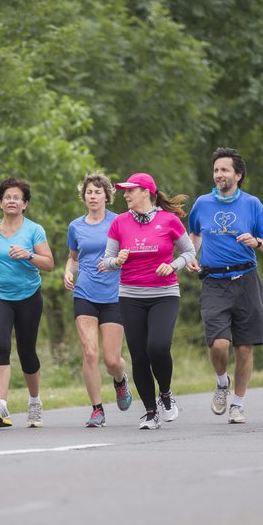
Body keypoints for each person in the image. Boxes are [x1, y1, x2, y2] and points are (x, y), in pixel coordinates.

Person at [186, 147, 263, 425]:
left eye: (224, 170)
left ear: (238, 175)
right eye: (216, 170)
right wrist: (191, 255)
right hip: (214, 282)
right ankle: (221, 382)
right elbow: (195, 233)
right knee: (218, 344)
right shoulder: (202, 203)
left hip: (247, 280)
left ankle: (237, 405)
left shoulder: (252, 204)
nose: (219, 175)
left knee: (245, 348)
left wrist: (257, 242)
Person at [101, 173, 195, 430]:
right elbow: (105, 262)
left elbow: (189, 251)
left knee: (158, 347)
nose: (125, 195)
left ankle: (165, 393)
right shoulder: (119, 223)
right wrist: (116, 261)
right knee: (139, 356)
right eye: (125, 191)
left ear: (146, 192)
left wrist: (173, 265)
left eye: (130, 190)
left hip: (164, 294)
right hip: (130, 296)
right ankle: (150, 413)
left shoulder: (169, 220)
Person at [0, 177, 55, 429]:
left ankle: (34, 401)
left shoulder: (34, 230)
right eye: (7, 197)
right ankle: (1, 404)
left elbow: (49, 263)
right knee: (1, 344)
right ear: (0, 202)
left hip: (29, 297)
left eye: (17, 197)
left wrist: (29, 254)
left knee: (27, 352)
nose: (11, 201)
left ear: (25, 204)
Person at [64, 173, 133, 428]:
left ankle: (120, 380)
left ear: (106, 195)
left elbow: (129, 254)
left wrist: (118, 262)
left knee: (112, 360)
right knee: (90, 353)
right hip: (85, 292)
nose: (92, 196)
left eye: (97, 192)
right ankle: (96, 409)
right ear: (84, 197)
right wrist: (68, 270)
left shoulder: (120, 222)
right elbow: (73, 257)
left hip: (114, 294)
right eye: (88, 192)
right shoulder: (76, 226)